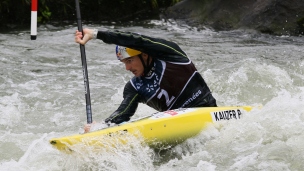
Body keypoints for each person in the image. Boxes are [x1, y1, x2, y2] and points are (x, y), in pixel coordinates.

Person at [75, 28, 217, 132]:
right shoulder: (134, 87)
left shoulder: (171, 55)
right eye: (124, 63)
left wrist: (96, 34)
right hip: (176, 125)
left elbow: (138, 40)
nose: (127, 68)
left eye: (129, 61)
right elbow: (122, 114)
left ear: (144, 55)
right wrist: (100, 128)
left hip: (205, 108)